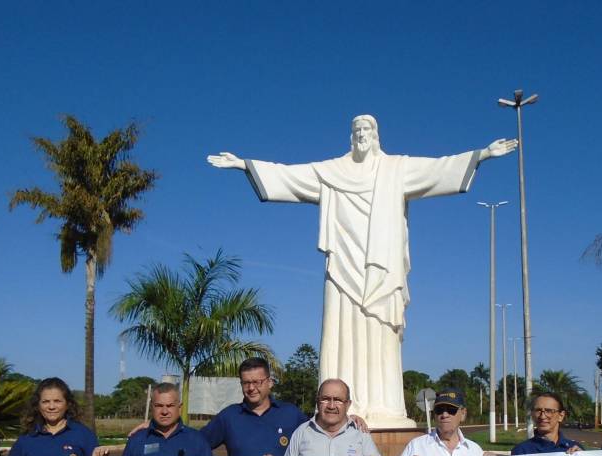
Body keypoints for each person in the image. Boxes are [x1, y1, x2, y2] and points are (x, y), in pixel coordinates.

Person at [207, 116, 517, 427]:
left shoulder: (395, 169)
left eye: (367, 129)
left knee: (380, 330)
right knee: (341, 328)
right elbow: (291, 175)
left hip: (382, 266)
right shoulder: (333, 171)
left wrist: (483, 154)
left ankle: (384, 405)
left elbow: (437, 169)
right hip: (344, 262)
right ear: (351, 136)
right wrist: (244, 165)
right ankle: (337, 409)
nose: (361, 134)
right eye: (356, 130)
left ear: (376, 135)